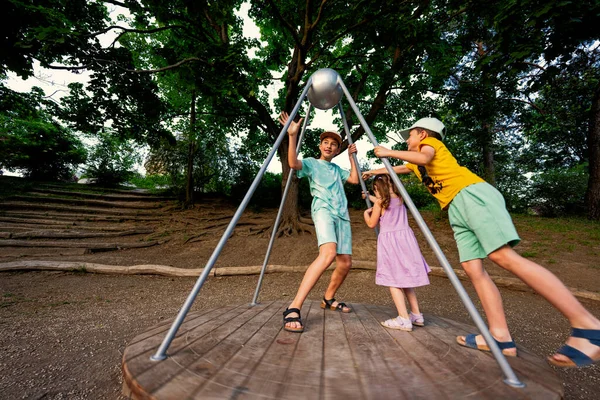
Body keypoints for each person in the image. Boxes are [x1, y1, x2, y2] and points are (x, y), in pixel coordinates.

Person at [362, 117, 600, 367]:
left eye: (408, 136)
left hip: (471, 194)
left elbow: (424, 158)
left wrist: (388, 152)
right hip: (455, 206)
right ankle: (500, 336)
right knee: (472, 268)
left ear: (421, 134)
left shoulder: (430, 145)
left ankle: (588, 327)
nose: (407, 141)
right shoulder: (414, 162)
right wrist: (375, 170)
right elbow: (399, 169)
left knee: (503, 256)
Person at [278, 111, 359, 333]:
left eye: (334, 144)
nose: (329, 146)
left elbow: (353, 179)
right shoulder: (313, 163)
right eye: (326, 142)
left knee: (345, 263)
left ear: (338, 149)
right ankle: (294, 306)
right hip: (323, 209)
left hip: (342, 214)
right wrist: (292, 135)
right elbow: (293, 163)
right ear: (320, 145)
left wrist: (352, 158)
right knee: (328, 254)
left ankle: (328, 298)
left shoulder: (336, 169)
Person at [363, 174, 430, 331]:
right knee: (405, 280)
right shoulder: (400, 199)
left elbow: (372, 223)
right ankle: (416, 315)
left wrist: (366, 214)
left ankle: (403, 319)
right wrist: (370, 197)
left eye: (375, 189)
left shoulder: (380, 203)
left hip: (391, 244)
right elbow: (384, 202)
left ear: (379, 189)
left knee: (393, 280)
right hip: (406, 242)